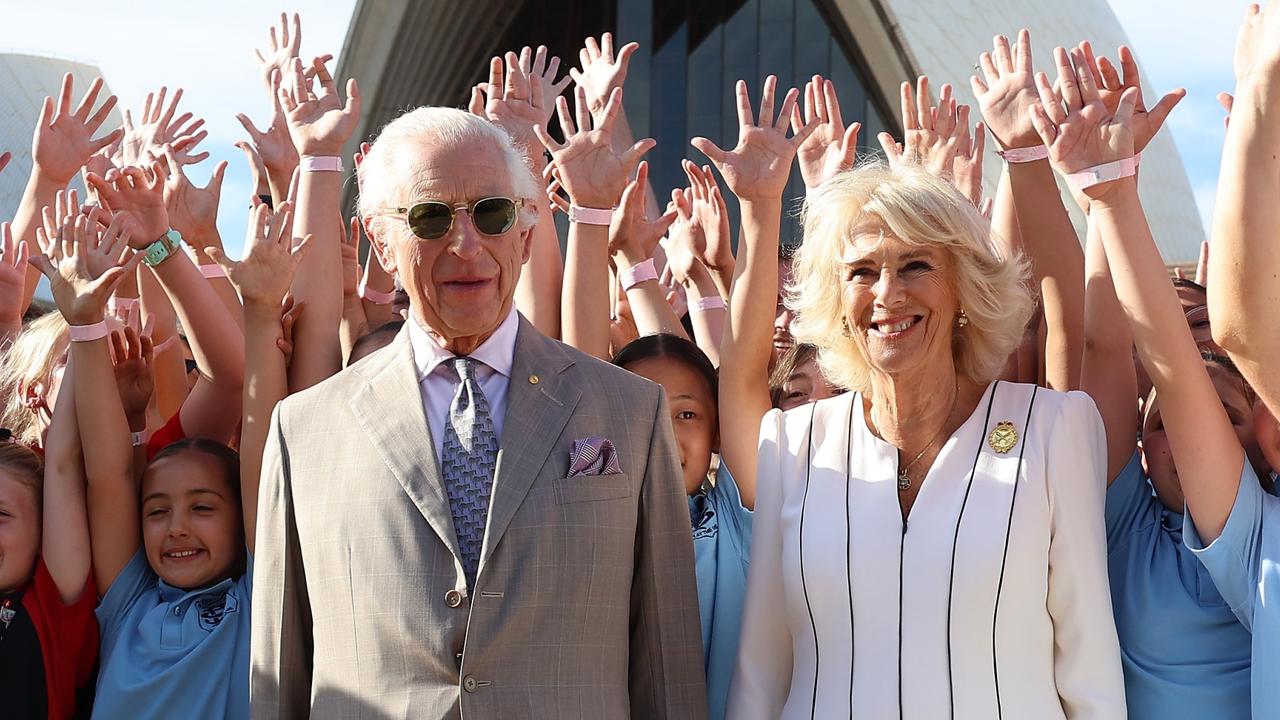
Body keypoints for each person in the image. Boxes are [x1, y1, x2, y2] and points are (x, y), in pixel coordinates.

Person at [251, 105, 706, 717]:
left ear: (523, 233)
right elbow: (280, 678)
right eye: (430, 217)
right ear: (382, 244)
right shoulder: (304, 431)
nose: (466, 245)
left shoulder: (628, 411)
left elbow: (667, 670)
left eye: (491, 214)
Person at [725, 66, 1124, 716]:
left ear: (964, 288)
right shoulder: (792, 443)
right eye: (861, 272)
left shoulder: (1054, 429)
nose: (887, 294)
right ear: (836, 298)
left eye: (915, 265)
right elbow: (761, 674)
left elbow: (1090, 671)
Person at [612, 333, 747, 720]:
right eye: (636, 412)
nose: (664, 435)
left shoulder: (733, 525)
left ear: (719, 432)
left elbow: (743, 367)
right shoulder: (590, 526)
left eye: (686, 414)